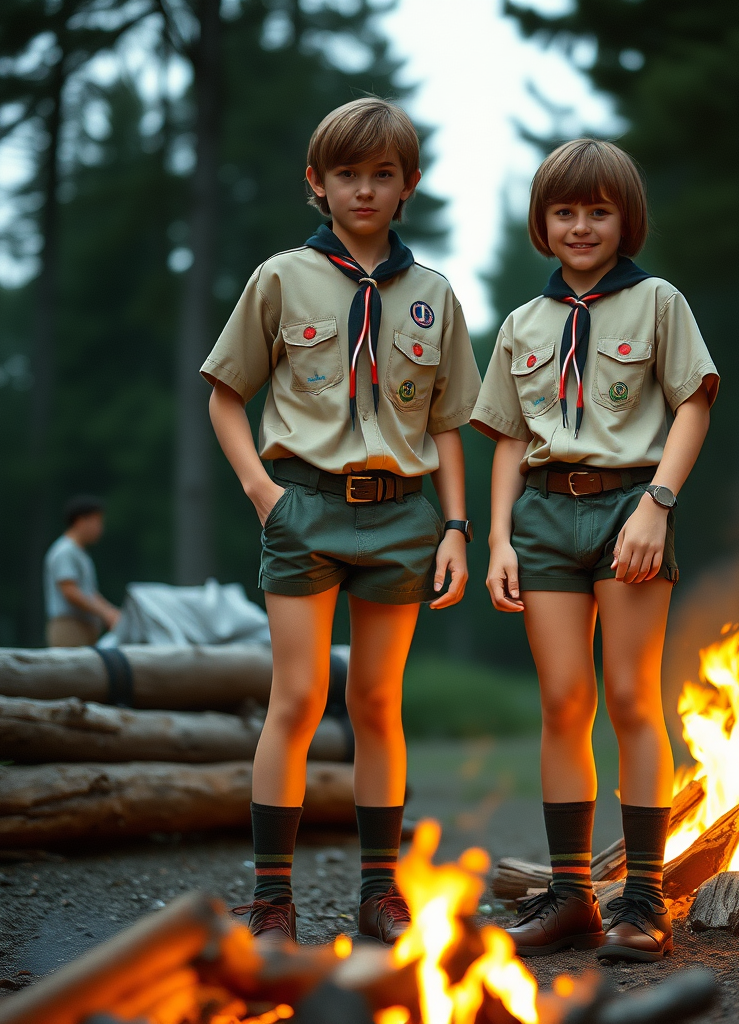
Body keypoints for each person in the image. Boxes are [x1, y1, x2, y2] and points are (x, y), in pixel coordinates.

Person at [202, 97, 481, 946]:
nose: (365, 189)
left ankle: (378, 895)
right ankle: (273, 900)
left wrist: (458, 529)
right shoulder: (282, 278)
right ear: (317, 185)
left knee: (377, 701)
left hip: (402, 517)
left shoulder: (433, 295)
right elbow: (224, 394)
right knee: (297, 696)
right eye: (348, 174)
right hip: (302, 506)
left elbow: (446, 422)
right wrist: (263, 493)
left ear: (409, 187)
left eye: (383, 175)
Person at [470, 139, 719, 963]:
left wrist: (657, 503)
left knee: (630, 695)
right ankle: (573, 896)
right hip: (542, 515)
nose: (581, 226)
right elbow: (506, 439)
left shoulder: (658, 303)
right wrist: (498, 537)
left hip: (628, 509)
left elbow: (692, 406)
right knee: (564, 702)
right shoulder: (521, 324)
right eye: (565, 211)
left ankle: (645, 898)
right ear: (543, 221)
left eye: (598, 211)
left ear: (625, 220)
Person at [44, 495, 121, 647]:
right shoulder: (65, 551)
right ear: (80, 521)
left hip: (84, 627)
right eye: (97, 522)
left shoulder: (80, 553)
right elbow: (70, 591)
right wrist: (104, 613)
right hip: (70, 626)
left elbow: (89, 592)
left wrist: (111, 612)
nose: (100, 528)